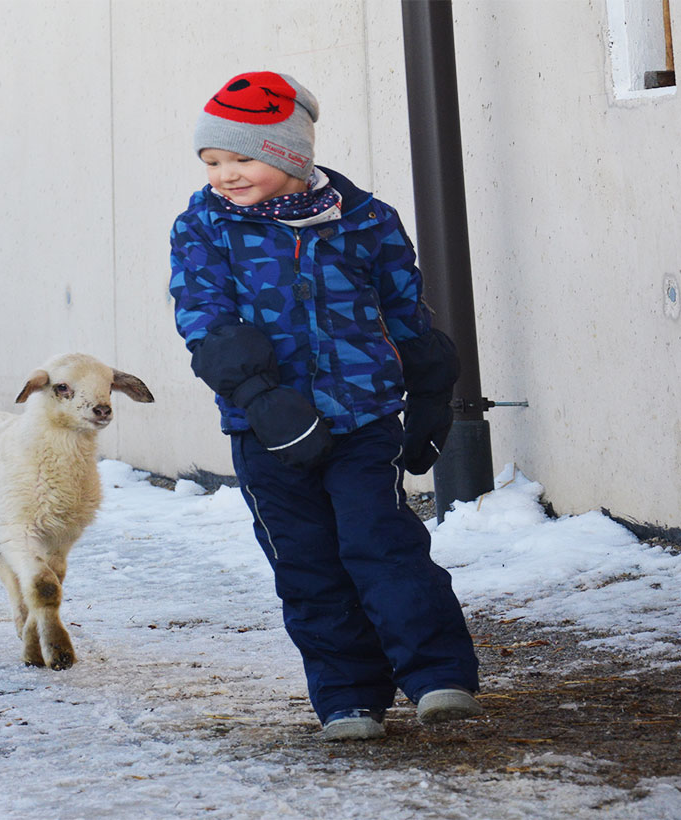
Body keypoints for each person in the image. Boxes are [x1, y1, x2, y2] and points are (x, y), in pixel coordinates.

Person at [168, 71, 483, 741]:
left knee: (384, 545)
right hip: (267, 434)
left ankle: (436, 677)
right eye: (212, 160)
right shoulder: (205, 227)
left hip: (361, 419)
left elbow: (404, 309)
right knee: (306, 563)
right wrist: (261, 399)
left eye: (241, 157)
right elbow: (204, 318)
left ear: (290, 154)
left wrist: (430, 390)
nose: (225, 173)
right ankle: (348, 697)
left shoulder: (366, 220)